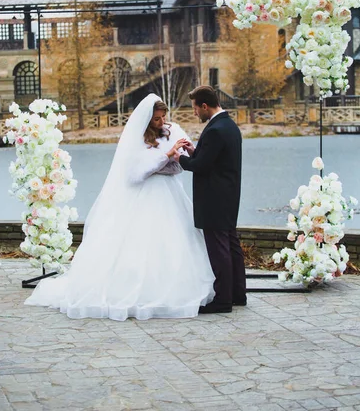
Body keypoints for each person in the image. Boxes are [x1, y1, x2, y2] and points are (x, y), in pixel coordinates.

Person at [24, 93, 214, 321]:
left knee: (175, 242)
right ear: (146, 121)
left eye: (163, 117)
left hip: (170, 193)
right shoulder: (136, 138)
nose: (162, 123)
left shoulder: (172, 131)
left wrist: (173, 157)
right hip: (144, 196)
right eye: (156, 119)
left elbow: (179, 167)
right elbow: (135, 174)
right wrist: (166, 156)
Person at [173, 85, 246, 314]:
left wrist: (180, 159)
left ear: (204, 106)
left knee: (219, 250)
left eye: (195, 108)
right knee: (232, 246)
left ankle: (223, 299)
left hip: (214, 199)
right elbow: (215, 160)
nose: (195, 113)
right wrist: (195, 150)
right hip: (229, 196)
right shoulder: (229, 125)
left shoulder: (215, 129)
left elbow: (201, 167)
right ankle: (237, 294)